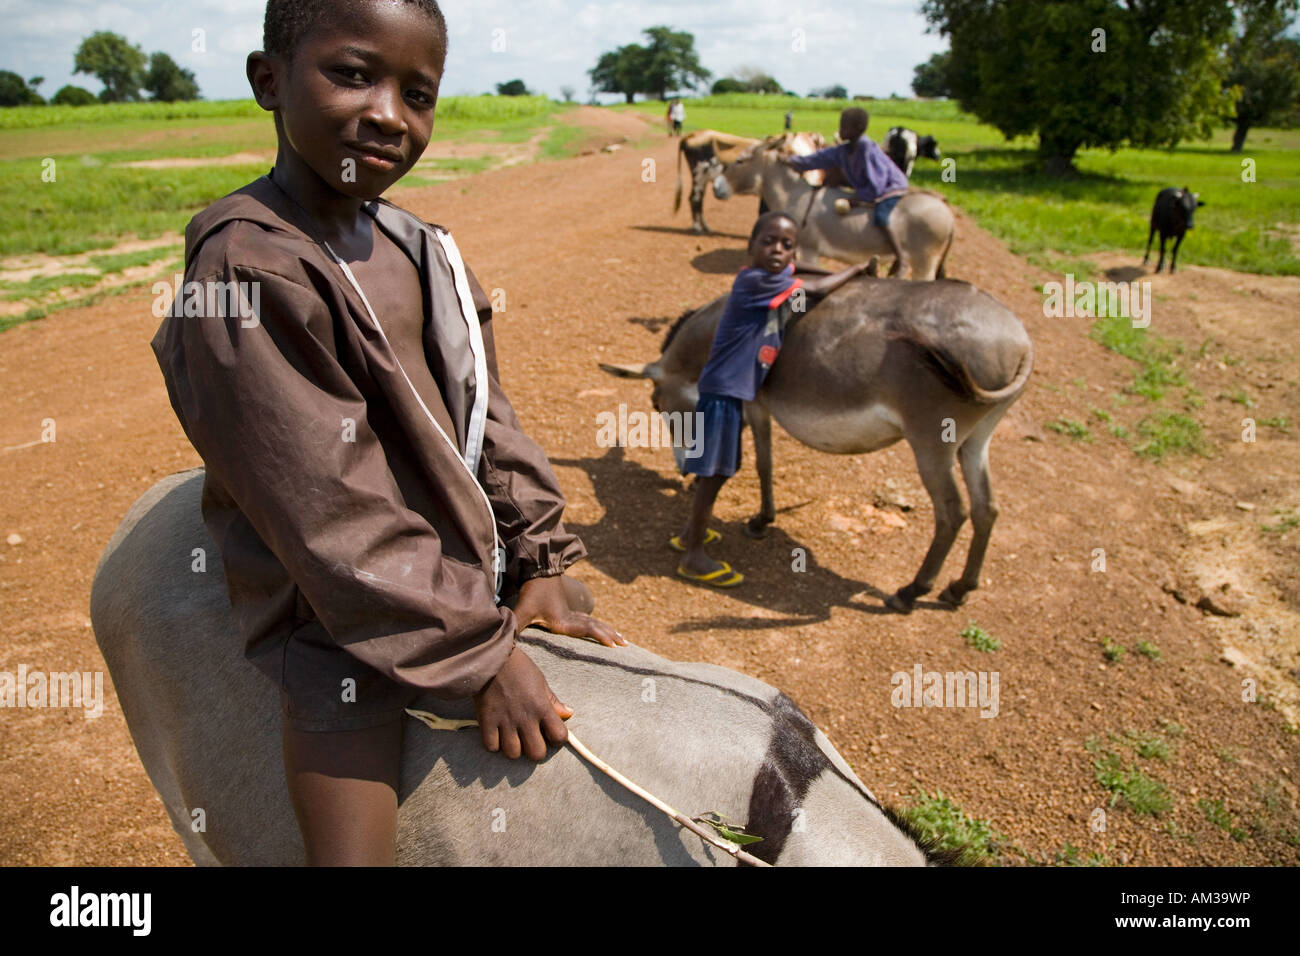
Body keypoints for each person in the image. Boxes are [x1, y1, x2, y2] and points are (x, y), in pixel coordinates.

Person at [150, 0, 623, 866]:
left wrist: (544, 557)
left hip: (452, 555)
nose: (387, 114)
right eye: (353, 74)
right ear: (269, 80)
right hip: (344, 590)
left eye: (419, 93)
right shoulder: (249, 270)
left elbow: (488, 417)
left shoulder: (425, 249)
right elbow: (331, 514)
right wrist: (480, 656)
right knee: (343, 692)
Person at [674, 212, 874, 587]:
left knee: (718, 472)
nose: (778, 250)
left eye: (787, 244)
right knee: (713, 474)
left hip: (729, 391)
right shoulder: (754, 280)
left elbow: (798, 271)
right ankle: (693, 555)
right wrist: (856, 269)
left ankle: (690, 534)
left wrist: (811, 264)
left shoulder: (771, 275)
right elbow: (815, 287)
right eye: (769, 242)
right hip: (724, 393)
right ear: (750, 247)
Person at [781, 107, 910, 274]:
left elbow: (877, 183)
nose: (840, 130)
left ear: (858, 129)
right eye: (840, 126)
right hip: (867, 185)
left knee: (881, 216)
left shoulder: (866, 148)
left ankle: (900, 257)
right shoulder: (844, 150)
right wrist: (792, 161)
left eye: (845, 127)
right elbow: (820, 158)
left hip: (889, 187)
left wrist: (857, 200)